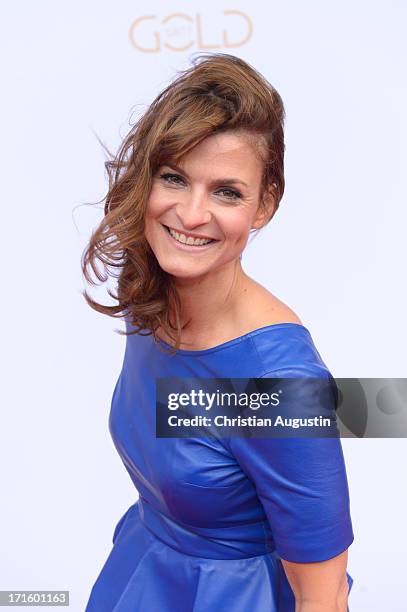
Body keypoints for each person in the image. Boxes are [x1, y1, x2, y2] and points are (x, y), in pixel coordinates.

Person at [82, 52, 354, 611]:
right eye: (174, 178)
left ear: (264, 205)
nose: (191, 213)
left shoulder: (277, 384)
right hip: (143, 571)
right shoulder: (147, 296)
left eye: (227, 192)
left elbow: (322, 600)